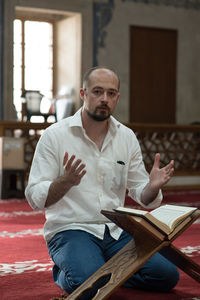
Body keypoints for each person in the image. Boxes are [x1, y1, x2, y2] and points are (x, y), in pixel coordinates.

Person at [25, 66, 179, 298]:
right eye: (97, 92)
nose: (104, 99)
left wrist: (152, 187)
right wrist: (65, 182)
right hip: (71, 229)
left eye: (110, 93)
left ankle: (102, 269)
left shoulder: (126, 137)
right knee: (89, 286)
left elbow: (142, 195)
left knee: (166, 276)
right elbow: (34, 197)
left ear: (117, 97)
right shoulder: (54, 136)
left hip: (117, 231)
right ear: (83, 94)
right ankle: (66, 271)